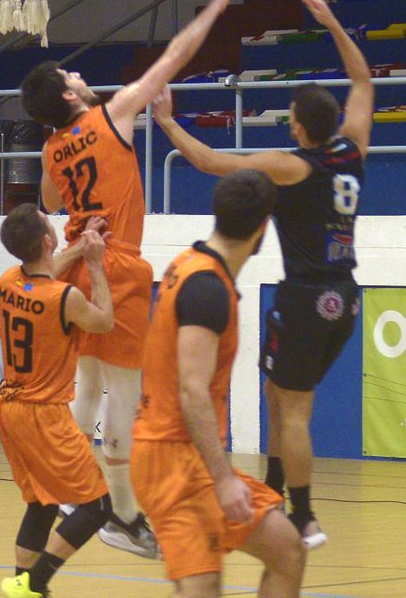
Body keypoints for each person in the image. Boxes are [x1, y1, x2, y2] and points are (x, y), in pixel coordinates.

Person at [19, 0, 251, 558]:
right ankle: (122, 516)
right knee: (124, 394)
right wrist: (216, 8)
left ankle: (73, 492)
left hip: (78, 261)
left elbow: (49, 197)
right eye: (70, 75)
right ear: (70, 94)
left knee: (88, 386)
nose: (78, 75)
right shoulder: (114, 112)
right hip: (117, 264)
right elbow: (175, 56)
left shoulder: (52, 147)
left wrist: (69, 130)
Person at [151, 0, 372, 548]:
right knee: (277, 391)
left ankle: (305, 518)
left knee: (294, 410)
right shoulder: (352, 149)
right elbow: (364, 82)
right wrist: (332, 24)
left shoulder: (291, 165)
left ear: (297, 126)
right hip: (346, 294)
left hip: (307, 295)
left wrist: (168, 124)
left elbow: (209, 162)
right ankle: (273, 489)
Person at [130, 170, 306, 597]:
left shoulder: (189, 263)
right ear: (263, 226)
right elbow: (192, 391)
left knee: (287, 550)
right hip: (171, 459)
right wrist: (224, 478)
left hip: (184, 454)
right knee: (202, 586)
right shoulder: (206, 288)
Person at [0, 207, 117, 598]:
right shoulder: (66, 298)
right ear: (48, 240)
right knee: (98, 506)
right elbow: (104, 321)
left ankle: (22, 588)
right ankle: (37, 580)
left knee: (42, 503)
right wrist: (94, 263)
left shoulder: (7, 282)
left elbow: (47, 269)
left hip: (9, 408)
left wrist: (80, 245)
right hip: (43, 413)